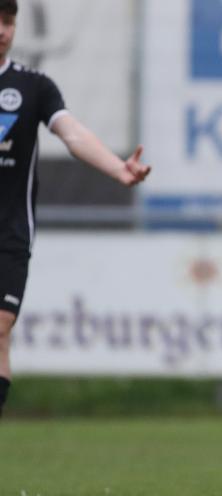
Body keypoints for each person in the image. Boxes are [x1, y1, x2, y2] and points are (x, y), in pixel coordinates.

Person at [0, 0, 151, 417]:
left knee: (1, 328)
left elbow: (71, 133)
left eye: (9, 20)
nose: (2, 30)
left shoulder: (33, 87)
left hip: (10, 233)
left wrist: (119, 169)